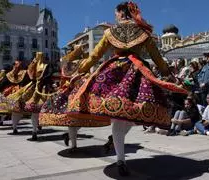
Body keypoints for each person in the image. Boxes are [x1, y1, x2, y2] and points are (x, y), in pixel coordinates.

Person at [63, 2, 187, 176]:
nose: (115, 16)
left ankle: (119, 152)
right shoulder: (143, 32)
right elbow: (156, 57)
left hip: (114, 72)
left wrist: (80, 70)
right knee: (134, 113)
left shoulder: (110, 32)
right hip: (138, 72)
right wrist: (169, 74)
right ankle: (118, 151)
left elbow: (95, 55)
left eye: (116, 13)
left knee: (119, 117)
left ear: (122, 13)